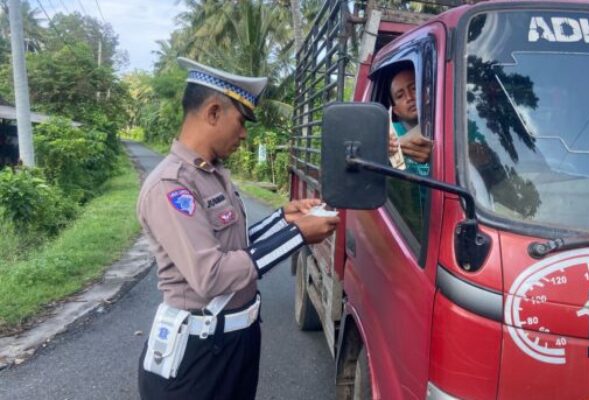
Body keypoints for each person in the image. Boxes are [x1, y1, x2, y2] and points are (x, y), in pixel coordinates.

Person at [136, 57, 339, 400]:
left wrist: (283, 218)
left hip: (234, 345)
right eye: (241, 121)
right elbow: (211, 275)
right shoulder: (172, 186)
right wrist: (298, 234)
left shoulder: (212, 175)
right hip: (197, 359)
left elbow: (235, 247)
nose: (245, 134)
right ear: (213, 112)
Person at [387, 67, 432, 176]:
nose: (409, 97)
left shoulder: (451, 119)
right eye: (400, 95)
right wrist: (389, 150)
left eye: (414, 88)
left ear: (427, 92)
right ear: (396, 110)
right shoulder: (388, 132)